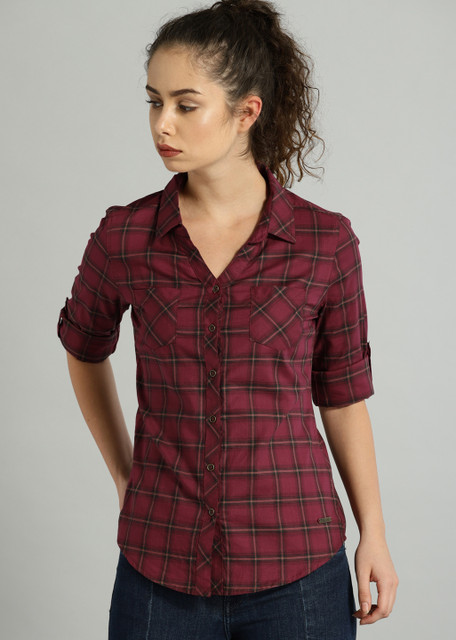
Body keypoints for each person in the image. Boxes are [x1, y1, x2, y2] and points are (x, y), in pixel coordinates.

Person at [58, 0, 398, 637]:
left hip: (299, 569)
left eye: (186, 105)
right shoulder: (124, 237)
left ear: (247, 112)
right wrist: (127, 476)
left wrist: (373, 534)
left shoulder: (325, 243)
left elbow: (343, 396)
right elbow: (83, 346)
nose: (163, 124)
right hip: (159, 569)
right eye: (154, 102)